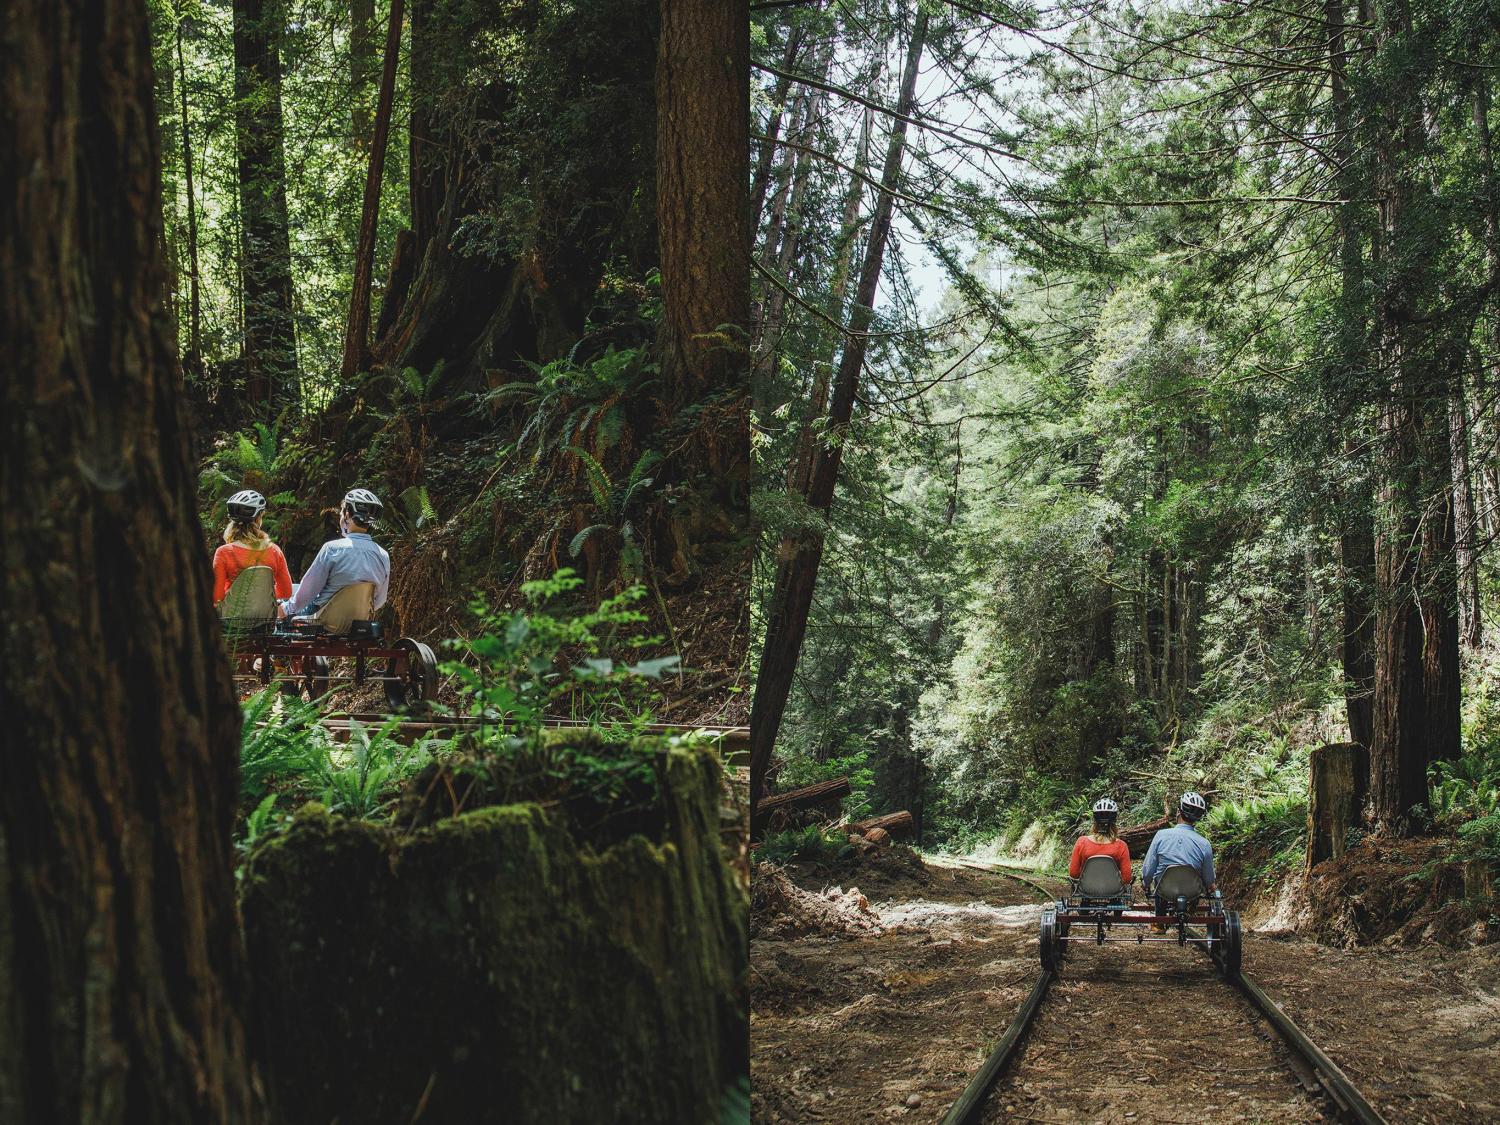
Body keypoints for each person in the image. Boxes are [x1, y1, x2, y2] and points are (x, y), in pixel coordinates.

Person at [281, 487, 390, 619]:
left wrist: (285, 609)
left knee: (284, 607)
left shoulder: (332, 549)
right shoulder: (383, 555)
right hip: (359, 622)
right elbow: (380, 600)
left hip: (322, 619)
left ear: (348, 514)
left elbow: (308, 592)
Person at [213, 490, 293, 605]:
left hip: (232, 619)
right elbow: (286, 592)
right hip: (265, 619)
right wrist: (259, 594)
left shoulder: (224, 552)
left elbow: (217, 598)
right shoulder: (275, 551)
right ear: (258, 519)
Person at [1140, 791, 1215, 907]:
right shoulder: (1204, 844)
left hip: (1164, 890)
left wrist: (1145, 883)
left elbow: (1148, 869)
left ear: (1178, 811)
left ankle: (1159, 921)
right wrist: (1210, 886)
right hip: (1192, 892)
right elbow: (1209, 879)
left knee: (1159, 881)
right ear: (1198, 818)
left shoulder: (1161, 836)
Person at [1069, 797, 1131, 887]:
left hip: (1087, 889)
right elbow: (1127, 878)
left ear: (1094, 819)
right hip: (1113, 890)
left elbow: (1074, 873)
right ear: (1114, 820)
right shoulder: (1121, 846)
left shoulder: (1082, 842)